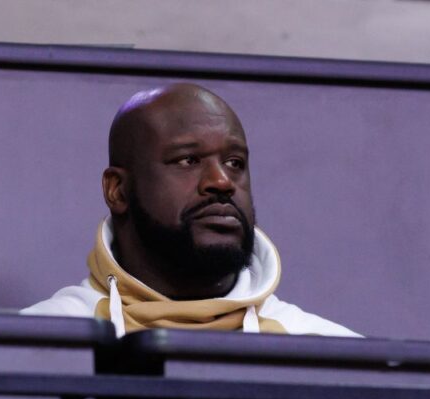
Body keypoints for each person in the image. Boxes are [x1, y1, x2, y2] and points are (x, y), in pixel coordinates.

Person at [23, 83, 361, 338]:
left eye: (235, 163)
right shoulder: (39, 344)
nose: (222, 181)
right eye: (188, 160)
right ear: (118, 190)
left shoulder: (329, 353)